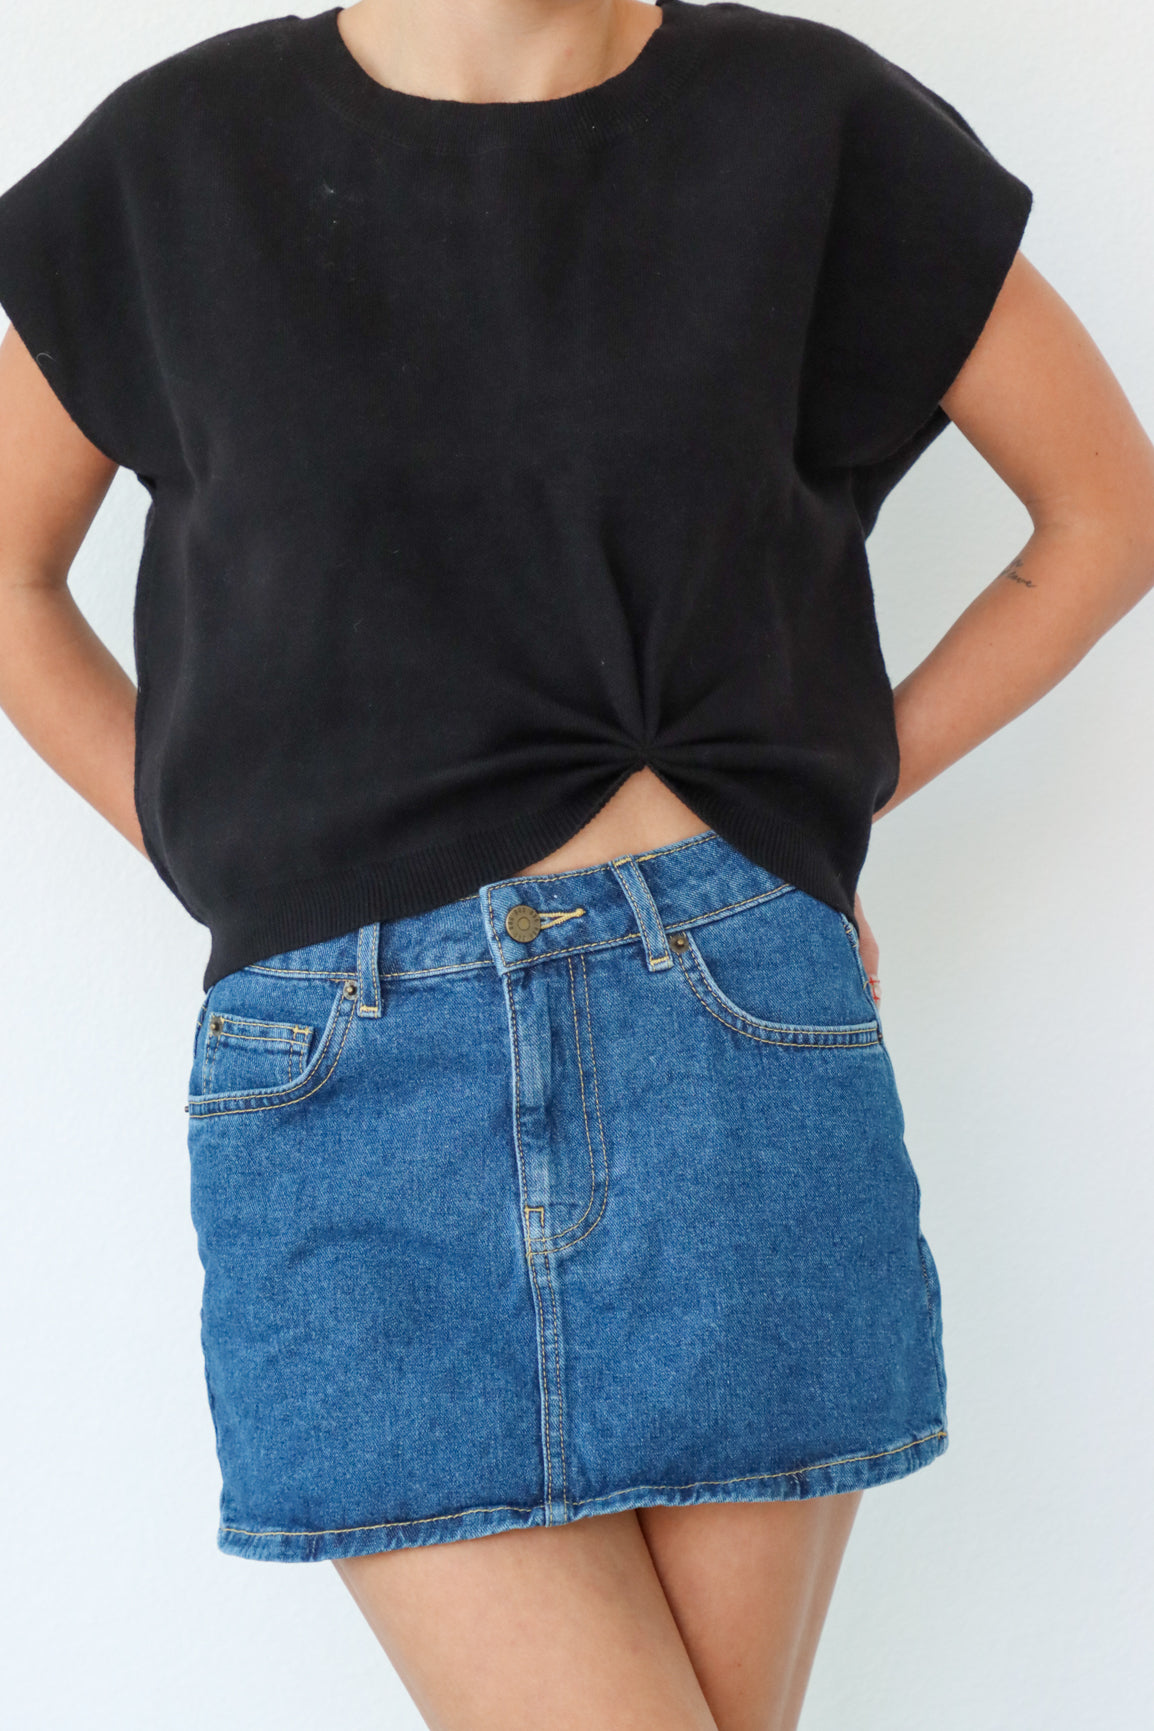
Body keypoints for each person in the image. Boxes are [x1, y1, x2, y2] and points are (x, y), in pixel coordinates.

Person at [1, 2, 1152, 1727]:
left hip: (731, 1033)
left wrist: (798, 809)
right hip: (344, 1077)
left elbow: (1101, 512)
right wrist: (216, 844)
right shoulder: (173, 157)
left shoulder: (809, 122)